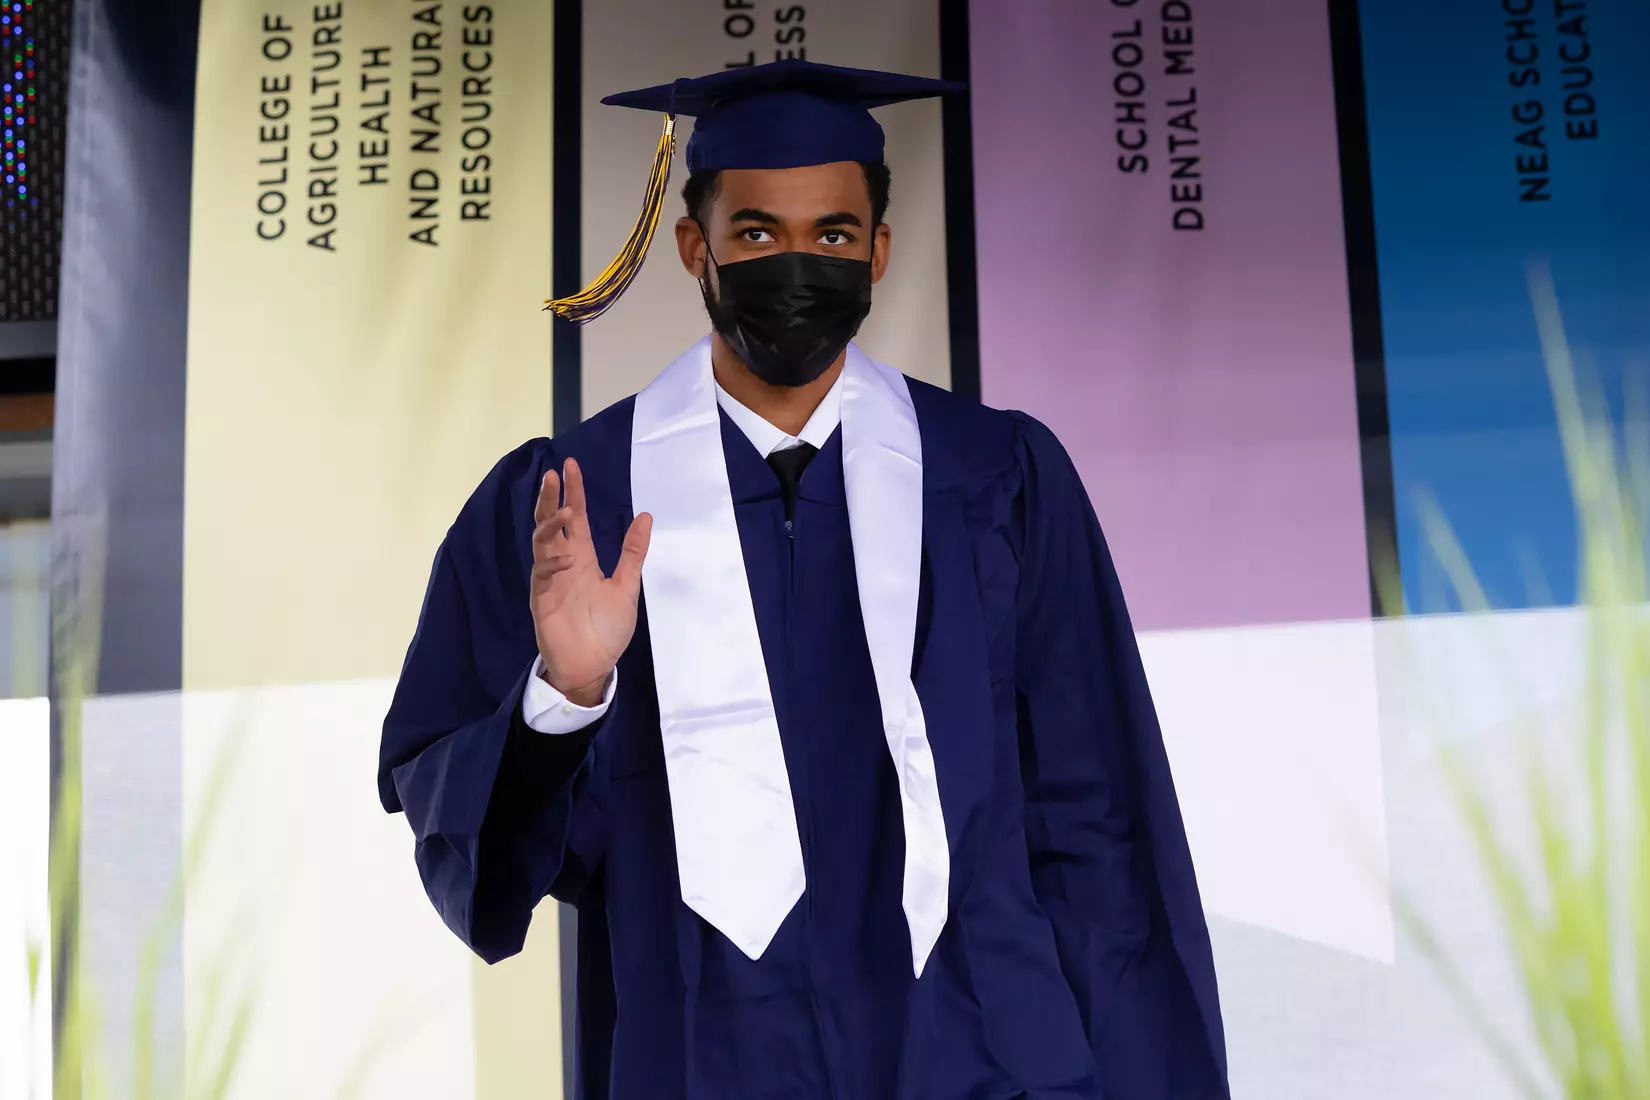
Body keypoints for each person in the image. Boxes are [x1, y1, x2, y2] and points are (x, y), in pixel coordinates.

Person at [378, 59, 1228, 1099]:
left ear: (877, 250)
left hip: (985, 1054)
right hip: (704, 1056)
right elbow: (495, 849)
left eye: (831, 236)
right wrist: (567, 695)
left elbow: (1096, 819)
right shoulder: (572, 500)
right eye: (756, 234)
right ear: (695, 247)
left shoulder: (994, 479)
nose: (796, 265)